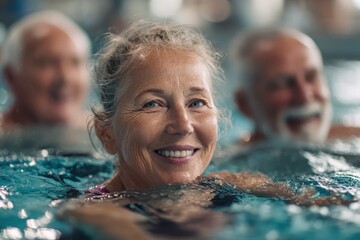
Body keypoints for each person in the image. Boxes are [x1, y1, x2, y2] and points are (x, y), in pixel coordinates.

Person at [60, 22, 351, 240]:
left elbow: (335, 205)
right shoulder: (95, 212)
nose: (183, 124)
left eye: (197, 102)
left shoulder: (231, 183)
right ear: (106, 132)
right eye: (152, 104)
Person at [232, 28, 360, 146]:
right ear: (244, 103)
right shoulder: (229, 163)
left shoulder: (353, 139)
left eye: (311, 77)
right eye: (282, 84)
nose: (304, 95)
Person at [0, 10, 91, 129]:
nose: (65, 76)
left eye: (75, 63)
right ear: (10, 75)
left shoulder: (105, 133)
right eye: (48, 63)